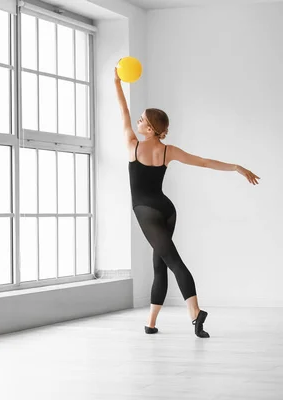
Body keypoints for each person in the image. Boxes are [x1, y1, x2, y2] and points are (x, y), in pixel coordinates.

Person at [114, 67, 260, 338]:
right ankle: (151, 322)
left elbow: (122, 110)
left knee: (172, 261)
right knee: (159, 264)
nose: (137, 121)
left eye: (142, 119)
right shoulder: (168, 151)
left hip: (145, 211)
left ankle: (195, 312)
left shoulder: (133, 145)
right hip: (167, 210)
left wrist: (117, 84)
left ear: (150, 128)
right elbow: (204, 162)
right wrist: (236, 167)